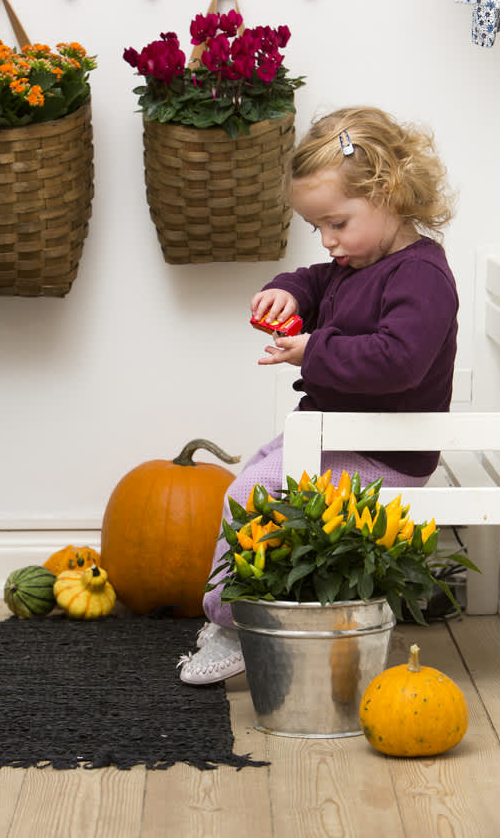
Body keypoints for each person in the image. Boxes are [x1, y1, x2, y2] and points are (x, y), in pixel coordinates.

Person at [178, 105, 459, 685]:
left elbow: (398, 362)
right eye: (318, 229)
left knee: (254, 491)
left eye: (337, 223)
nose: (329, 241)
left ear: (391, 191)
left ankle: (234, 623)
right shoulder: (360, 258)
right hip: (348, 435)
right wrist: (285, 293)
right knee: (256, 469)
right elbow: (315, 281)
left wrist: (313, 350)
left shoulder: (420, 276)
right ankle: (254, 610)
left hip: (388, 455)